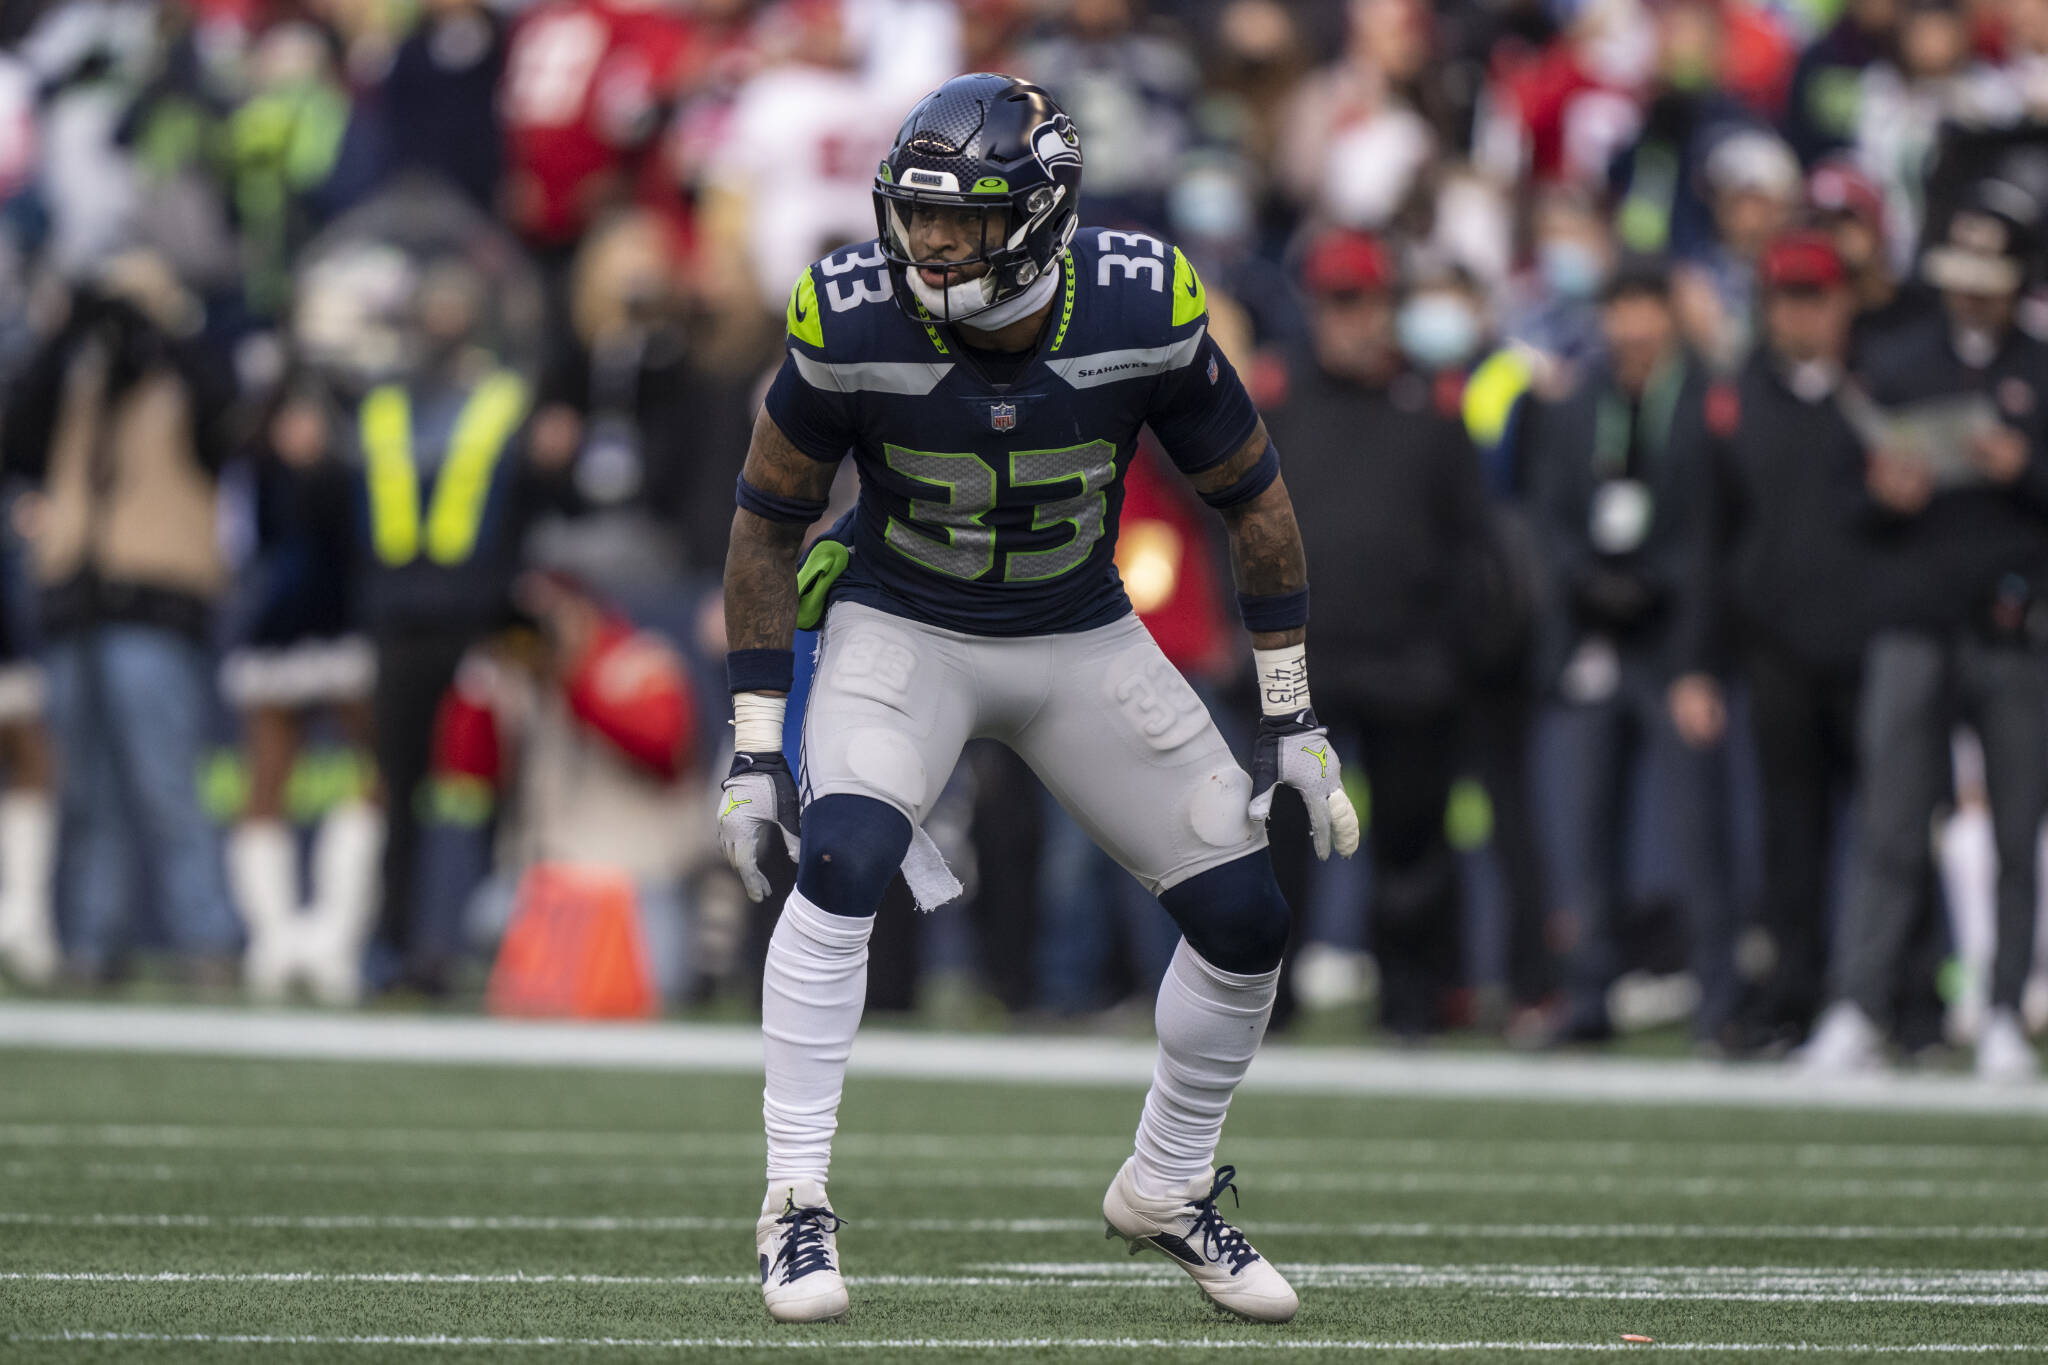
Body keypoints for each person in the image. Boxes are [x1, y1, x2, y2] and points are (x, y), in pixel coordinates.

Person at [718, 74, 1358, 1325]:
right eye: (916, 216)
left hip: (1079, 632)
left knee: (1244, 916)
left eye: (961, 221)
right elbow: (764, 526)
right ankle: (793, 1203)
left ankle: (1166, 1188)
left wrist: (1290, 714)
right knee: (841, 855)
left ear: (1043, 219)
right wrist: (754, 744)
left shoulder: (1139, 304)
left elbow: (1254, 500)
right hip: (905, 626)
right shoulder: (850, 318)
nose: (929, 244)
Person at [1802, 181, 2048, 1081]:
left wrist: (2026, 471)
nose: (1971, 291)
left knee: (2018, 831)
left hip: (2013, 624)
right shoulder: (1901, 360)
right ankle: (1862, 1005)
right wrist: (1882, 492)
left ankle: (2002, 1009)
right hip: (1912, 619)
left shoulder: (2041, 367)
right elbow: (1841, 494)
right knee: (1893, 821)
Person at [1263, 228, 1499, 1038]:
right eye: (1338, 301)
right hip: (1302, 660)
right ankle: (1266, 1002)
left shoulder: (1433, 404)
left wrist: (1451, 642)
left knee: (1412, 839)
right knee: (1276, 843)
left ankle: (1412, 1001)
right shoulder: (1280, 393)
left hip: (1410, 659)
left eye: (1365, 300)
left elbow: (1473, 536)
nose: (1353, 319)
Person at [0, 254, 241, 985]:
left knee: (165, 781)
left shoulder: (186, 377)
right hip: (76, 599)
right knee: (83, 788)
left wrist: (158, 340)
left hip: (155, 600)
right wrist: (67, 331)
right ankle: (92, 940)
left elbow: (224, 423)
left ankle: (209, 939)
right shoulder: (74, 379)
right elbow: (17, 441)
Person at [1670, 232, 1877, 1053]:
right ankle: (1796, 994)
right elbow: (1710, 541)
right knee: (1790, 837)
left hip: (1875, 644)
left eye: (1814, 295)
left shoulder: (1878, 386)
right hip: (1777, 648)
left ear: (1842, 301)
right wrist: (1698, 663)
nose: (1799, 312)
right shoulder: (1737, 398)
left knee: (1892, 831)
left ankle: (1898, 996)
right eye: (1787, 295)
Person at [1525, 257, 1735, 1045]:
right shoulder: (1578, 403)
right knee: (1581, 828)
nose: (1636, 326)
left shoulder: (1707, 402)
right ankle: (1589, 994)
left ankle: (1717, 998)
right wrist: (1588, 582)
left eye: (1650, 308)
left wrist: (1692, 649)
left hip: (1674, 644)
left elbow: (1715, 535)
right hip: (1591, 636)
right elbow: (1547, 514)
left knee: (1695, 832)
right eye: (1624, 308)